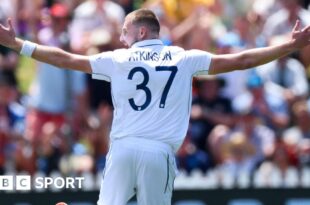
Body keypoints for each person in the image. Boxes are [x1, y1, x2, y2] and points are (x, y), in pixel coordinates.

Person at [0, 8, 309, 205]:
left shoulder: (118, 60)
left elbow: (65, 59)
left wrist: (19, 44)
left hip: (121, 149)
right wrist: (288, 46)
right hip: (158, 152)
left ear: (141, 32)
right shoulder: (183, 58)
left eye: (124, 31)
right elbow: (243, 60)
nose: (121, 38)